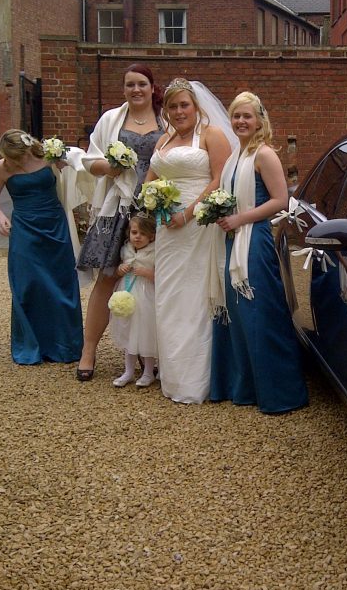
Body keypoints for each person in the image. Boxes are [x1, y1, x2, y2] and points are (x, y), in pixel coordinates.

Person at [210, 92, 308, 414]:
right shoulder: (235, 156)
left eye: (247, 116)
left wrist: (239, 218)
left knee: (260, 314)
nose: (241, 121)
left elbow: (281, 200)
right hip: (233, 239)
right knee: (240, 315)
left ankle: (279, 393)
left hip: (255, 240)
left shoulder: (264, 154)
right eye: (236, 116)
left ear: (259, 121)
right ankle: (248, 388)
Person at [75, 63, 166, 381]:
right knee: (108, 278)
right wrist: (108, 167)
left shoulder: (165, 119)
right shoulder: (110, 119)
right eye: (130, 85)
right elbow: (89, 159)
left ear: (152, 87)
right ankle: (89, 351)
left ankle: (149, 353)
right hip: (119, 210)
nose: (136, 89)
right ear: (124, 89)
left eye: (142, 83)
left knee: (154, 280)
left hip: (156, 208)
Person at [147, 78, 235, 403]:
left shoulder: (211, 135)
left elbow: (220, 178)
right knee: (169, 294)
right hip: (167, 228)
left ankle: (196, 381)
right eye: (173, 106)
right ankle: (172, 376)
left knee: (195, 295)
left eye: (184, 105)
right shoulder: (165, 139)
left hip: (199, 224)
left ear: (196, 106)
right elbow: (152, 177)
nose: (179, 111)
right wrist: (152, 200)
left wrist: (188, 213)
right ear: (166, 111)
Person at [0, 129, 83, 365]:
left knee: (61, 282)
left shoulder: (48, 156)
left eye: (18, 157)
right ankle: (32, 344)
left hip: (54, 226)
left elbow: (78, 165)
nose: (15, 162)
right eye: (10, 158)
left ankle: (65, 344)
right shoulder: (2, 167)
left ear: (28, 148)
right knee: (28, 283)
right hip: (25, 229)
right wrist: (0, 217)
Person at [109, 213, 157, 388]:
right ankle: (128, 371)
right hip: (128, 293)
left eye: (143, 234)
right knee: (128, 331)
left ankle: (148, 372)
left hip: (146, 295)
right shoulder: (125, 249)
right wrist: (121, 269)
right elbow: (117, 272)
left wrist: (147, 273)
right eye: (134, 232)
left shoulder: (155, 252)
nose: (137, 237)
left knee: (146, 332)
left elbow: (161, 277)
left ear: (151, 236)